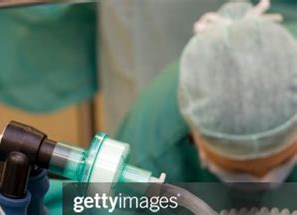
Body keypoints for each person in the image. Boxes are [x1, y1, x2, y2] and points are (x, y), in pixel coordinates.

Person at [117, 0, 297, 183]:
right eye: (236, 171)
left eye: (283, 161)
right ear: (193, 134)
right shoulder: (149, 151)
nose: (262, 180)